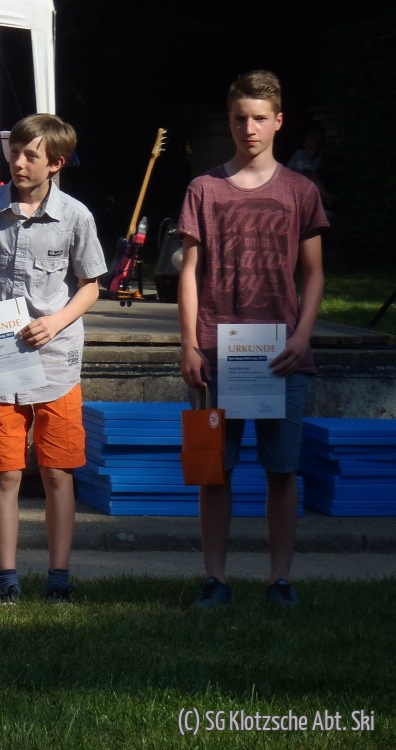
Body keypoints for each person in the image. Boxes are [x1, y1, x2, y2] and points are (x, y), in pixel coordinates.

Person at [177, 70, 328, 608]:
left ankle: (279, 579)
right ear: (230, 121)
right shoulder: (204, 189)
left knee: (282, 470)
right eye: (240, 118)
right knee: (213, 471)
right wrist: (188, 343)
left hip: (280, 354)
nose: (249, 128)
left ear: (278, 121)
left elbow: (314, 273)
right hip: (216, 353)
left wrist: (303, 336)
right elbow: (190, 271)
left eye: (260, 118)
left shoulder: (301, 191)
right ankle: (215, 579)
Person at [0, 114, 107, 605]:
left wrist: (56, 322)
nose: (18, 162)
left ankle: (58, 575)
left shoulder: (76, 216)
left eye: (30, 155)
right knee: (5, 471)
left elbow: (90, 286)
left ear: (56, 164)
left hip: (57, 361)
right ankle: (7, 577)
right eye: (15, 152)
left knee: (59, 471)